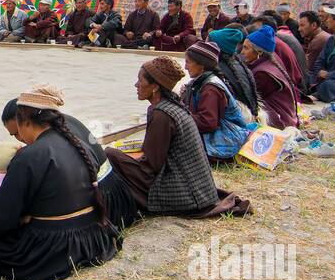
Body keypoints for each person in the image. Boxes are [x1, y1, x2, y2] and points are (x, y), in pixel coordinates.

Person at [0, 85, 117, 280]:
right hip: (92, 237)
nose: (18, 138)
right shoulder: (77, 142)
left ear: (25, 122)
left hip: (54, 250)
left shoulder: (30, 156)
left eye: (17, 132)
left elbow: (2, 220)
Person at [99, 56, 250, 227]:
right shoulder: (172, 106)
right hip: (198, 190)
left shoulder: (161, 114)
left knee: (110, 154)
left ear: (155, 86)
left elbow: (150, 167)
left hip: (184, 194)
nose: (136, 85)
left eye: (140, 80)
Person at [180, 41, 251, 161]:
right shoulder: (201, 82)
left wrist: (179, 117)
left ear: (201, 65)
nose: (185, 67)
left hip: (228, 138)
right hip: (221, 134)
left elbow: (208, 123)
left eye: (188, 62)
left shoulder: (210, 88)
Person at [1, 98, 105, 166]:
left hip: (102, 193)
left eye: (18, 132)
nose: (20, 138)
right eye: (13, 135)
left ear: (27, 121)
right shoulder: (62, 121)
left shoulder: (49, 141)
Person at [240, 26, 299, 129]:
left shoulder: (263, 73)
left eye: (246, 48)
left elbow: (249, 99)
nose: (242, 52)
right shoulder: (270, 62)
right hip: (286, 117)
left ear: (259, 52)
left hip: (281, 121)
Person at [206, 27, 260, 120]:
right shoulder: (240, 66)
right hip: (248, 116)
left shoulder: (217, 71)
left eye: (206, 43)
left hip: (232, 122)